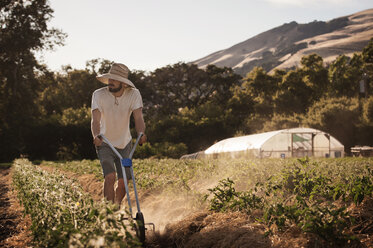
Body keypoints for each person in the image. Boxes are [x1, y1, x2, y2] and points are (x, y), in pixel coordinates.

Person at [91, 63, 146, 205]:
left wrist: (141, 133)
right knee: (110, 177)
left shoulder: (134, 94)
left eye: (114, 80)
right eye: (110, 79)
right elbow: (95, 119)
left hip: (124, 143)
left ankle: (116, 207)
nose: (110, 82)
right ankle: (109, 214)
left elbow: (138, 117)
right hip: (105, 142)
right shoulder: (98, 95)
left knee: (124, 182)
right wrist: (96, 135)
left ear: (123, 83)